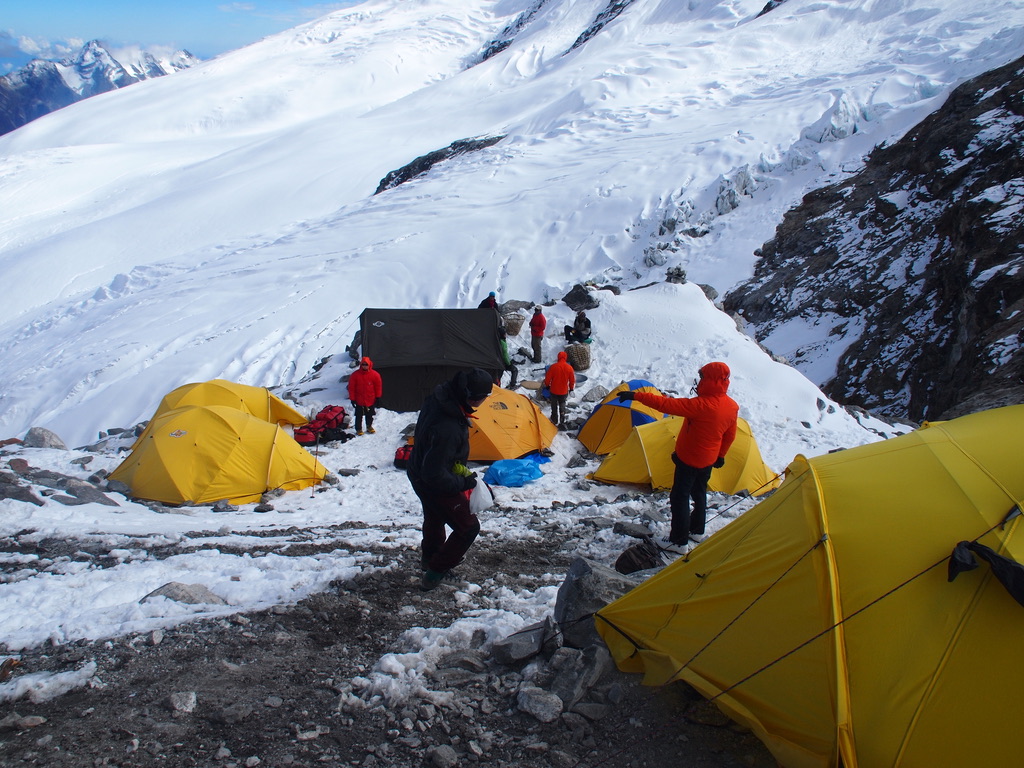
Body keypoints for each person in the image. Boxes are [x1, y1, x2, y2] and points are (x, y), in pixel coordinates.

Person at [617, 362, 738, 552]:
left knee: (679, 496)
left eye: (703, 377)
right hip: (709, 459)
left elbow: (666, 404)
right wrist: (721, 455)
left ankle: (678, 541)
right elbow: (730, 435)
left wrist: (635, 396)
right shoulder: (731, 406)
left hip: (689, 459)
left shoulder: (701, 405)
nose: (699, 381)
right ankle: (697, 531)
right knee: (699, 493)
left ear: (711, 380)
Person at [406, 368, 493, 591]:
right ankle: (436, 573)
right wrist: (464, 483)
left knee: (435, 516)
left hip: (417, 469)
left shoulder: (441, 396)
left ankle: (430, 559)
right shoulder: (449, 427)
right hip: (431, 479)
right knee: (468, 527)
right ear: (472, 398)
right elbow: (435, 475)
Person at [347, 356, 383, 435]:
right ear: (361, 365)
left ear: (369, 364)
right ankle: (358, 429)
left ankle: (369, 426)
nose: (364, 366)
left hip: (370, 399)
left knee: (369, 415)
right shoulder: (355, 375)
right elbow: (351, 388)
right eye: (363, 364)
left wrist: (378, 397)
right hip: (359, 399)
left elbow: (378, 387)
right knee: (359, 415)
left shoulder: (375, 375)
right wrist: (352, 399)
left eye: (366, 364)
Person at [543, 350, 575, 428]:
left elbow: (547, 378)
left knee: (554, 405)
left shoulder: (553, 367)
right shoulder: (569, 368)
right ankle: (562, 417)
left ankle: (554, 419)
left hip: (554, 390)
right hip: (564, 391)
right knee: (562, 403)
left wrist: (547, 386)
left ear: (558, 358)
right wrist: (571, 389)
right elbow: (572, 380)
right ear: (565, 358)